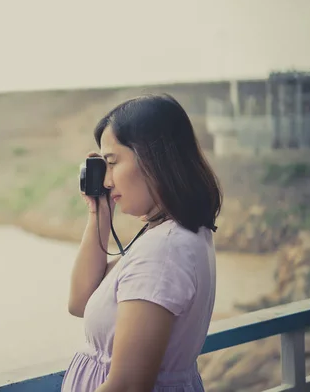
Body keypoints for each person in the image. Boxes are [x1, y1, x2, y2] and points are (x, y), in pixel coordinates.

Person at [62, 93, 222, 392]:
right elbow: (81, 301)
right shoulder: (167, 235)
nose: (107, 181)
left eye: (113, 162)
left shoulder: (164, 252)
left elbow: (128, 386)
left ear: (151, 159)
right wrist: (100, 212)